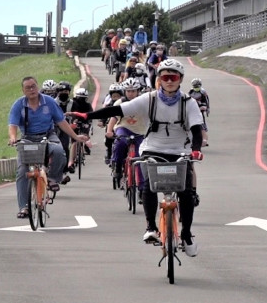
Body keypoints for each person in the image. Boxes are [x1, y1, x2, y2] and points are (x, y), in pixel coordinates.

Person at [69, 59, 203, 257]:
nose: (168, 81)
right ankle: (150, 227)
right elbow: (118, 110)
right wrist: (87, 116)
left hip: (179, 150)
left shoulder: (188, 103)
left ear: (180, 79)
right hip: (152, 148)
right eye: (164, 77)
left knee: (186, 192)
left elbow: (196, 129)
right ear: (159, 79)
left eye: (173, 77)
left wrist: (196, 149)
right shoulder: (149, 99)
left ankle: (186, 234)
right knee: (148, 185)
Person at [8, 77, 88, 219]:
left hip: (48, 135)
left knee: (59, 151)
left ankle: (52, 179)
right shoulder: (18, 104)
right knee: (22, 171)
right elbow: (13, 124)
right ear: (23, 90)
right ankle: (24, 207)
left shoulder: (49, 102)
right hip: (27, 138)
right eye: (28, 88)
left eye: (33, 86)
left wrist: (75, 137)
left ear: (38, 87)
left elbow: (61, 122)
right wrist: (13, 137)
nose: (32, 90)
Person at [107, 79, 147, 193]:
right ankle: (118, 167)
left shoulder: (145, 102)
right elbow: (113, 118)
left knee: (140, 158)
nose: (131, 93)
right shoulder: (119, 103)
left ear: (138, 91)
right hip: (123, 129)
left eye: (133, 91)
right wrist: (109, 131)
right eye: (128, 91)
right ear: (125, 92)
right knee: (120, 143)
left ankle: (142, 188)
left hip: (140, 131)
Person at [67, 87, 94, 171]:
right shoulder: (73, 104)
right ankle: (71, 162)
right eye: (79, 98)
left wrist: (88, 122)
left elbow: (91, 114)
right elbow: (70, 114)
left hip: (85, 122)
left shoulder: (88, 105)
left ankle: (86, 143)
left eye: (83, 98)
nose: (81, 100)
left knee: (85, 134)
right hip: (75, 122)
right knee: (74, 141)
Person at [54, 81, 74, 174]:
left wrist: (75, 121)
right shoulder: (53, 103)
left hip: (67, 127)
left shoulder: (73, 103)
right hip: (54, 128)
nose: (64, 93)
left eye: (66, 91)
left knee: (65, 147)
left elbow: (77, 114)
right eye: (61, 91)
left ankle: (64, 168)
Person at [188, 78, 210, 147]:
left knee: (201, 123)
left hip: (201, 109)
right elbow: (187, 100)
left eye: (197, 87)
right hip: (193, 109)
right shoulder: (190, 92)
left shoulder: (203, 92)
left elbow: (207, 101)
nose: (196, 88)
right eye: (195, 87)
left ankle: (204, 139)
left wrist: (207, 109)